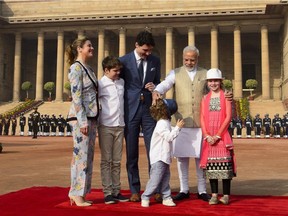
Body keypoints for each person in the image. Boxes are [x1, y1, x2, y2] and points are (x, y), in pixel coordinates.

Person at [153, 45, 233, 202]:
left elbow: (217, 89)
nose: (189, 62)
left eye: (192, 59)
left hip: (201, 123)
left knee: (200, 158)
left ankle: (202, 190)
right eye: (186, 59)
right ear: (183, 58)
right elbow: (166, 84)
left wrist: (228, 94)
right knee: (182, 159)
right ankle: (184, 189)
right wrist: (157, 90)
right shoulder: (175, 73)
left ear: (197, 59)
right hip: (181, 122)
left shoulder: (205, 73)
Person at [119, 30, 161, 202]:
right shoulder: (123, 61)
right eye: (145, 50)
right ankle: (134, 189)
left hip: (149, 111)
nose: (147, 53)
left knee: (154, 151)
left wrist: (155, 86)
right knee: (131, 152)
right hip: (130, 110)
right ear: (136, 45)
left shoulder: (155, 60)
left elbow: (158, 81)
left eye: (150, 50)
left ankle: (155, 187)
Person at [65, 36, 99, 207]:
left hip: (91, 117)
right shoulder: (75, 68)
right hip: (81, 119)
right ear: (79, 48)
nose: (92, 48)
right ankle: (76, 194)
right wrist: (83, 121)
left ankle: (81, 193)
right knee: (81, 157)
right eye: (89, 46)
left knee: (88, 156)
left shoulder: (89, 69)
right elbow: (76, 97)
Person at [199, 68, 236, 205]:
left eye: (216, 81)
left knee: (225, 167)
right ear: (207, 82)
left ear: (220, 82)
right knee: (211, 168)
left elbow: (228, 117)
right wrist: (207, 135)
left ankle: (226, 195)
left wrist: (218, 135)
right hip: (209, 138)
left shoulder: (225, 96)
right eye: (210, 81)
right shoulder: (204, 98)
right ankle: (214, 194)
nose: (213, 83)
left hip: (222, 136)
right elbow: (202, 117)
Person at [141, 98, 184, 207]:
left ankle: (166, 197)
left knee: (165, 178)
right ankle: (146, 196)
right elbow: (169, 137)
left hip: (164, 156)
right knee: (155, 179)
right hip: (159, 157)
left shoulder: (165, 122)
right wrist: (177, 129)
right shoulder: (162, 123)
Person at [97, 56, 129, 204]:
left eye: (119, 70)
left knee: (117, 161)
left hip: (119, 125)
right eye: (115, 71)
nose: (118, 73)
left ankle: (117, 191)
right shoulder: (100, 84)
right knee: (106, 161)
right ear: (106, 70)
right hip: (106, 125)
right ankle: (107, 192)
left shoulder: (121, 82)